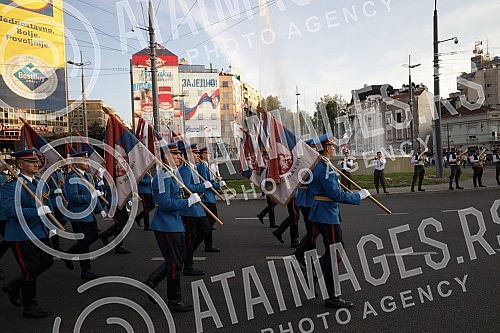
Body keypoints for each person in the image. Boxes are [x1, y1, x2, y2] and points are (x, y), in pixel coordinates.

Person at [308, 134, 371, 308]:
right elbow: (335, 195)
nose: (335, 148)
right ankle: (332, 296)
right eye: (333, 146)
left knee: (333, 251)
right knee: (336, 253)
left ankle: (314, 271)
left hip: (322, 213)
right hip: (327, 214)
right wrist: (358, 196)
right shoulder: (325, 168)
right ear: (327, 148)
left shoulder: (320, 165)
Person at [1, 149, 55, 318]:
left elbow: (47, 204)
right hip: (20, 234)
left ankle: (14, 285)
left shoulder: (38, 182)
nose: (35, 164)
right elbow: (10, 211)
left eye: (36, 161)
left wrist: (50, 224)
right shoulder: (11, 185)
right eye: (30, 161)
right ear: (20, 164)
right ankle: (29, 306)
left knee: (46, 262)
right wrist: (36, 211)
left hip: (40, 231)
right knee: (30, 269)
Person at [143, 142, 196, 312]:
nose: (179, 158)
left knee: (177, 260)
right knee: (174, 263)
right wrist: (187, 202)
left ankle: (151, 282)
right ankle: (174, 300)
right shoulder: (162, 176)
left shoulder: (171, 174)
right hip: (166, 225)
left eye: (179, 155)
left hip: (175, 224)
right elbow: (164, 202)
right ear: (166, 157)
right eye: (174, 155)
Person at [65, 151, 107, 280]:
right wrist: (90, 196)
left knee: (93, 236)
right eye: (85, 161)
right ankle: (85, 269)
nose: (88, 163)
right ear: (77, 162)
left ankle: (69, 254)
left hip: (89, 214)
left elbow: (94, 195)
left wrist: (100, 209)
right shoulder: (71, 177)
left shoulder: (88, 176)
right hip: (79, 214)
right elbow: (73, 198)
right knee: (85, 242)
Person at [178, 143, 211, 276]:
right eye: (195, 153)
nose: (198, 155)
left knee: (205, 231)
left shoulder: (193, 168)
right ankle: (188, 265)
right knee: (190, 237)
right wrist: (203, 186)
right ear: (188, 155)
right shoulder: (185, 169)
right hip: (190, 207)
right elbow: (187, 187)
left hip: (198, 206)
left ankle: (186, 254)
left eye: (198, 153)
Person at [293, 138, 318, 266]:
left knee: (314, 230)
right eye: (312, 148)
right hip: (306, 200)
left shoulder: (308, 162)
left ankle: (306, 254)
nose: (315, 150)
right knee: (313, 230)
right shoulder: (304, 163)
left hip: (308, 199)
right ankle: (301, 253)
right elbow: (311, 180)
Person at [197, 147, 224, 253]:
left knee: (211, 220)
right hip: (206, 197)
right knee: (209, 221)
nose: (209, 155)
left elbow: (210, 180)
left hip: (210, 197)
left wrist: (217, 182)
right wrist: (217, 185)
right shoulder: (201, 167)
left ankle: (206, 239)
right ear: (203, 154)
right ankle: (208, 243)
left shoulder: (205, 166)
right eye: (207, 153)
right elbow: (206, 183)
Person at [257, 151, 279, 228]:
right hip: (268, 185)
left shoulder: (266, 164)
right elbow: (263, 176)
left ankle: (262, 214)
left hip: (269, 185)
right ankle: (272, 222)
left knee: (274, 203)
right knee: (272, 203)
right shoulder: (265, 165)